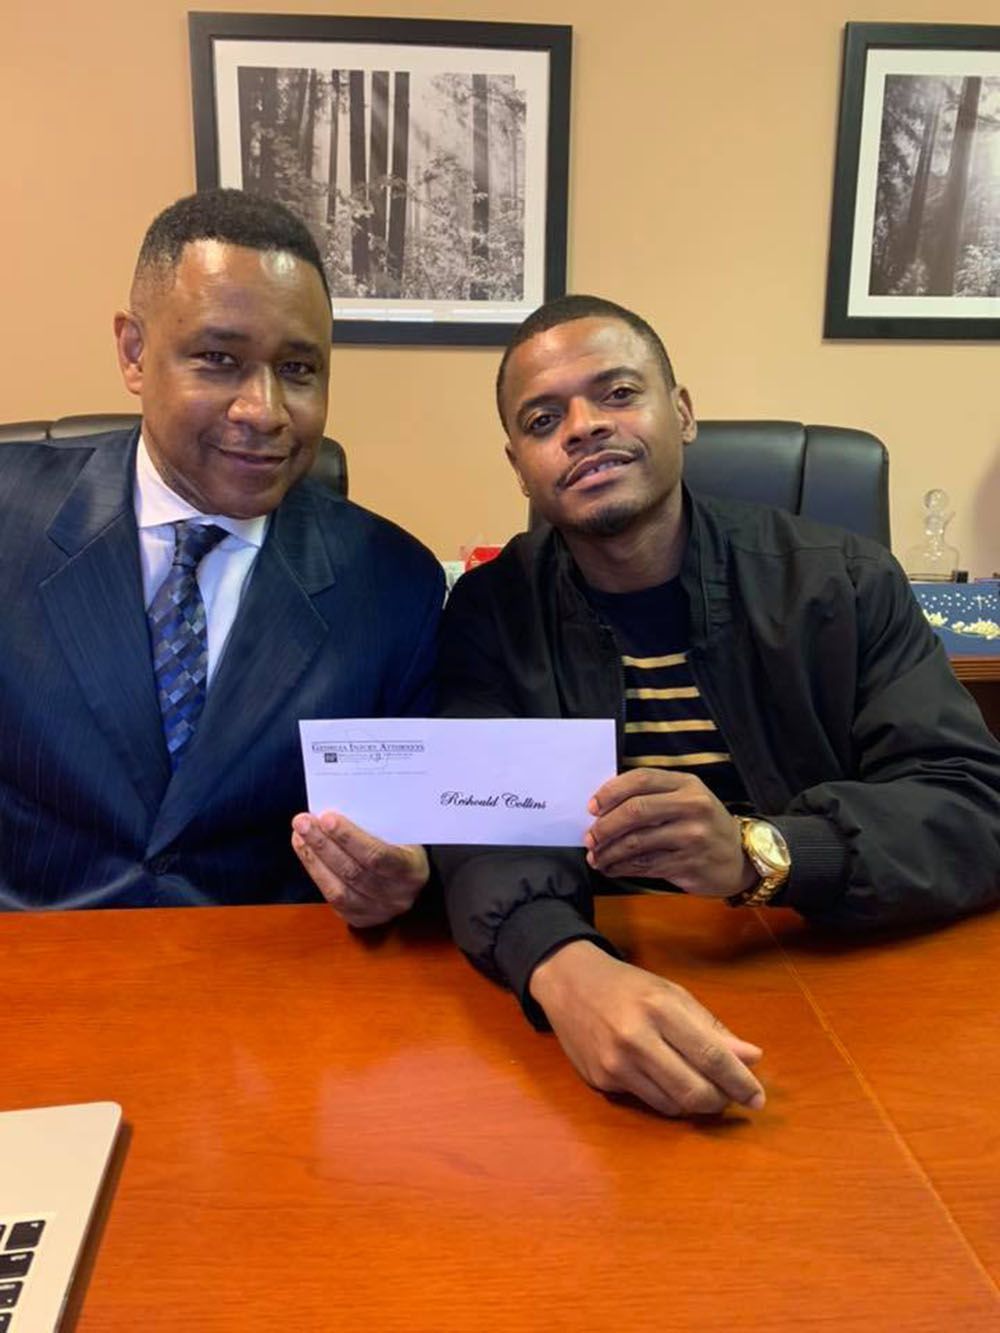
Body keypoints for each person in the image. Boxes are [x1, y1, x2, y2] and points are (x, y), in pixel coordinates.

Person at [433, 294, 1000, 1119]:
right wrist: (560, 960)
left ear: (684, 413)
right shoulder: (490, 611)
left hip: (828, 965)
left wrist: (760, 850)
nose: (584, 425)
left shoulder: (844, 580)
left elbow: (972, 803)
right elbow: (477, 821)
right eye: (544, 416)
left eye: (618, 393)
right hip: (602, 975)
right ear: (519, 464)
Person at [0, 188, 439, 914]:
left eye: (299, 371)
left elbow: (421, 835)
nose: (263, 410)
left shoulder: (394, 584)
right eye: (218, 359)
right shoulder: (10, 522)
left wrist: (409, 877)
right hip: (35, 982)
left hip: (271, 987)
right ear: (135, 353)